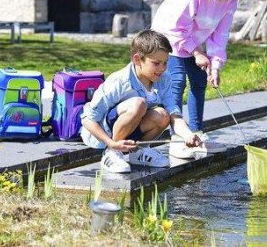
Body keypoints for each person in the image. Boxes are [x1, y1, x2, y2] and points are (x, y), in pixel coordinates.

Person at [151, 0, 248, 157]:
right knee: (176, 82)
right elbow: (177, 28)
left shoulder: (229, 2)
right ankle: (177, 136)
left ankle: (196, 132)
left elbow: (219, 35)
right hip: (170, 38)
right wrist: (195, 52)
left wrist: (215, 65)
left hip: (195, 42)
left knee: (199, 81)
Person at [80, 29, 202, 173]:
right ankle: (112, 154)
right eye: (156, 63)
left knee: (163, 115)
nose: (162, 69)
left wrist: (188, 134)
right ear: (137, 59)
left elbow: (174, 113)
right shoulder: (119, 81)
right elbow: (87, 119)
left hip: (133, 127)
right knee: (139, 103)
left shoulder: (164, 79)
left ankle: (138, 152)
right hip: (105, 134)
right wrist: (111, 143)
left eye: (165, 63)